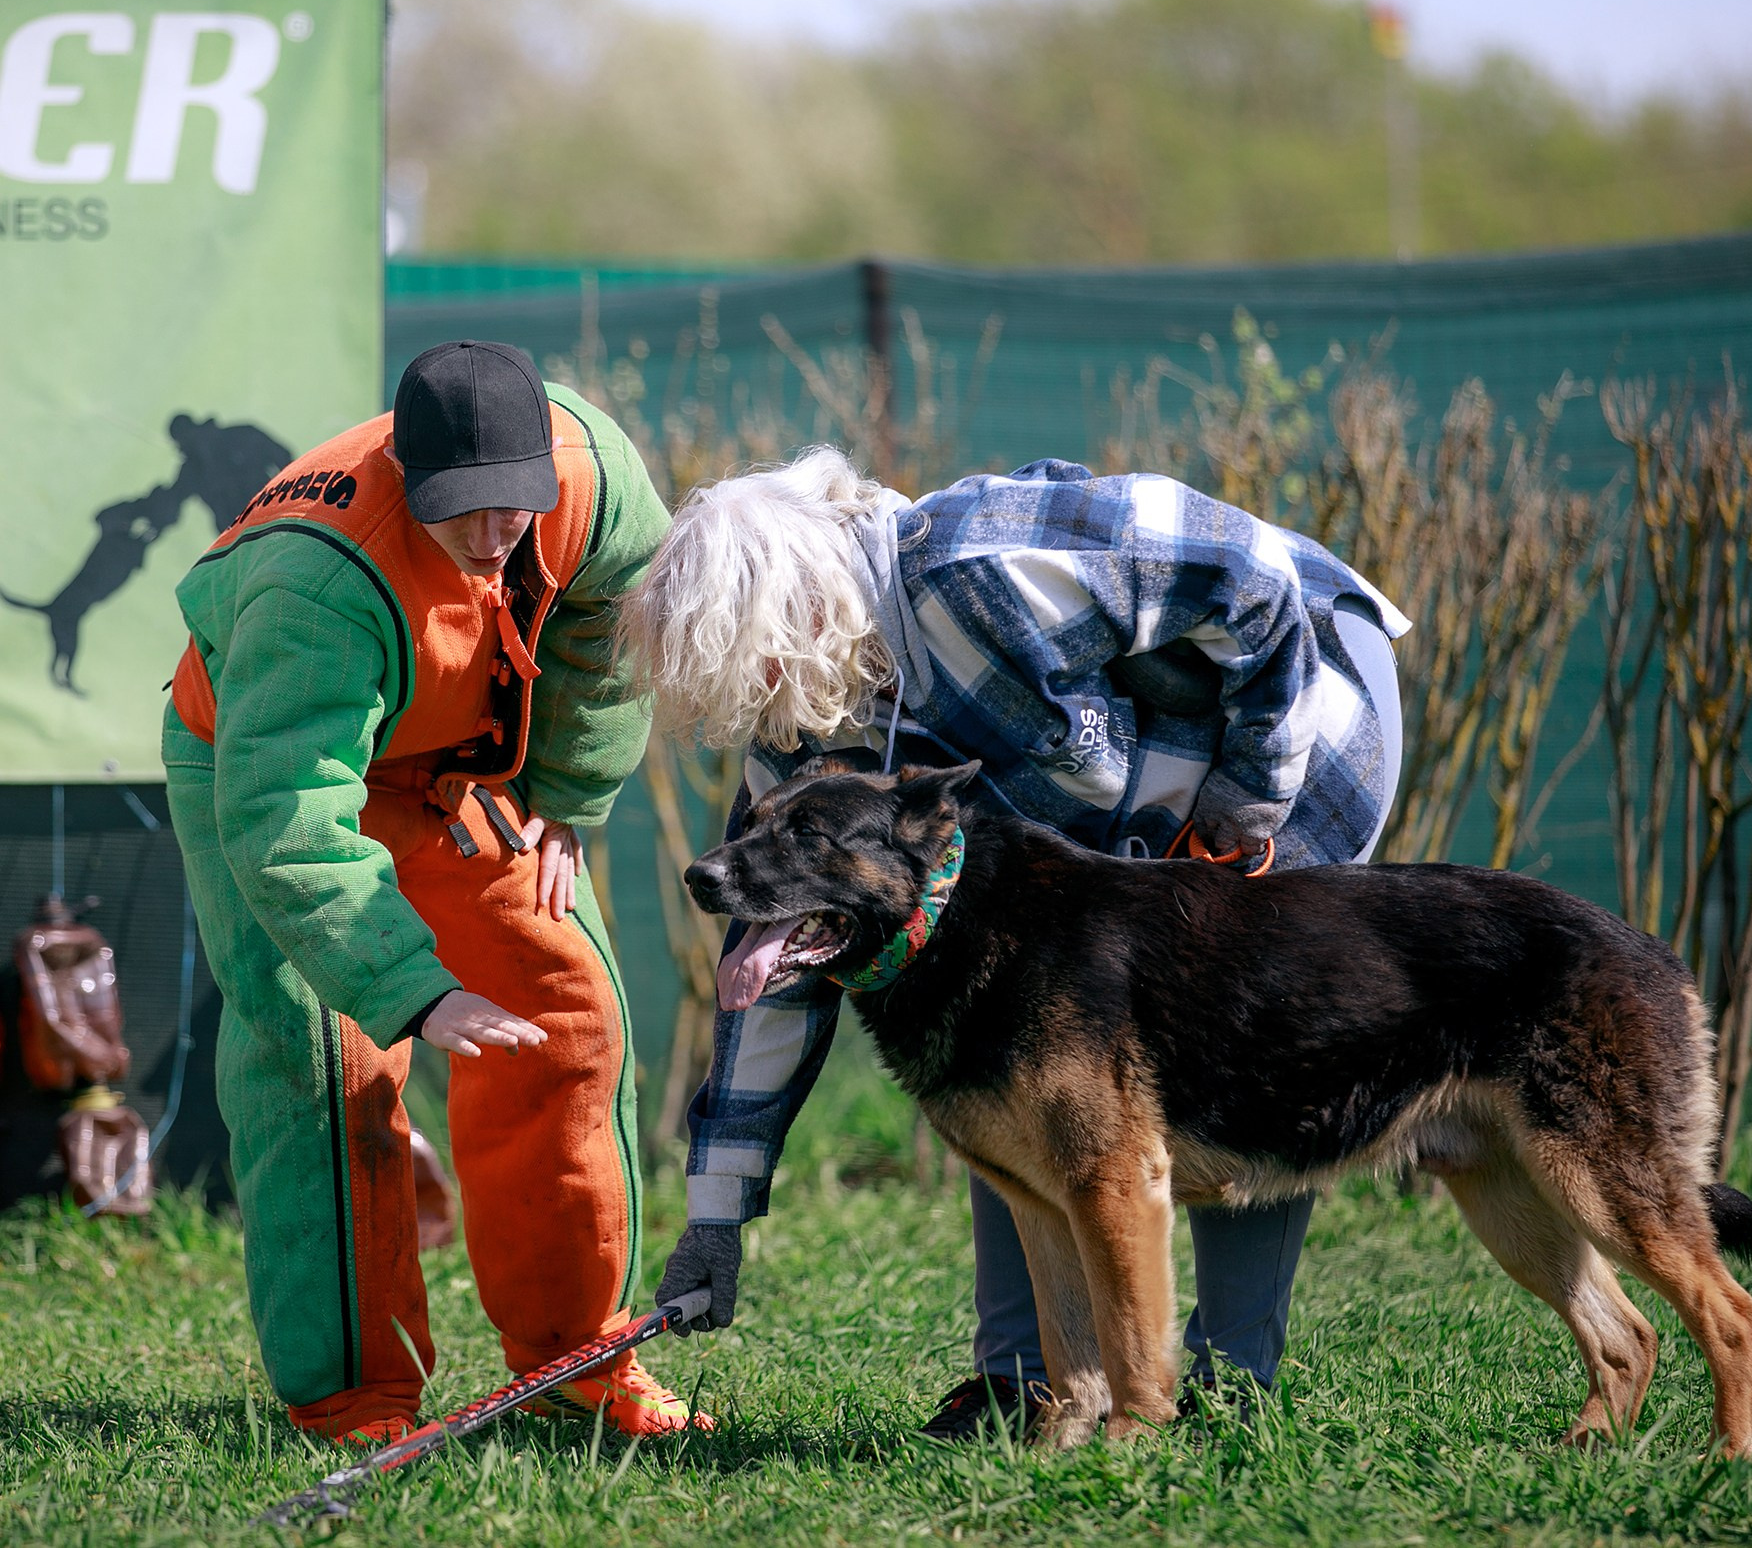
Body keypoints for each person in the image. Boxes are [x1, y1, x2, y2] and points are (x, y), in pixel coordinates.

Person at [631, 446, 1408, 1439]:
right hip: (1131, 825)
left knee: (1235, 1036)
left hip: (1300, 717)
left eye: (754, 666)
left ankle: (1229, 1378)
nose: (759, 704)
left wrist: (1245, 797)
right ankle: (1024, 1380)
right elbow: (768, 970)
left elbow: (1252, 586)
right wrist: (717, 1208)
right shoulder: (809, 717)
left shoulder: (982, 566)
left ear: (795, 608)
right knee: (1003, 1046)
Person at [163, 341, 683, 1443]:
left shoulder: (594, 481)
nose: (496, 539)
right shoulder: (318, 581)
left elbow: (610, 619)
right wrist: (414, 989)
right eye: (464, 516)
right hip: (277, 775)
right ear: (409, 474)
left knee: (569, 1011)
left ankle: (584, 1360)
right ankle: (356, 1396)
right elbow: (288, 823)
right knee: (325, 1063)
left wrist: (567, 796)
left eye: (514, 510)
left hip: (459, 765)